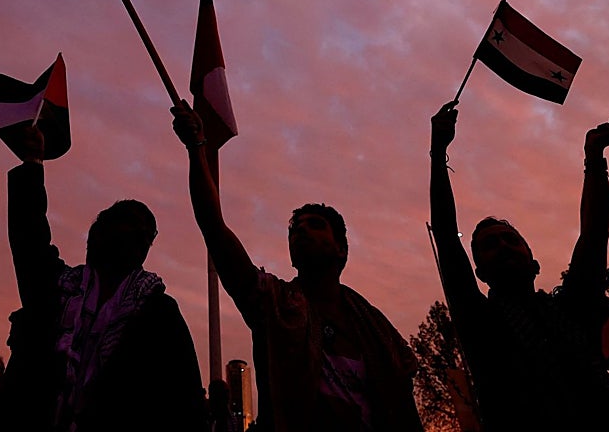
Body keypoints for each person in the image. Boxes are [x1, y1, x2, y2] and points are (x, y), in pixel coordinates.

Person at [172, 103, 422, 432]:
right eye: (295, 229)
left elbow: (402, 403)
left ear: (342, 249)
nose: (301, 231)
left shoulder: (375, 327)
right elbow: (214, 229)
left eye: (314, 225)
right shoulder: (271, 302)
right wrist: (196, 148)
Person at [427, 101, 609, 431]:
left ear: (534, 262)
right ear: (479, 273)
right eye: (490, 245)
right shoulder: (480, 322)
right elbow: (446, 237)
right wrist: (437, 154)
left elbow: (594, 236)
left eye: (510, 240)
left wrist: (594, 159)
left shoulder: (572, 308)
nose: (503, 247)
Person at [2, 123, 207, 432]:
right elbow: (28, 236)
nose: (135, 236)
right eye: (126, 225)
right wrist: (32, 162)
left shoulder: (159, 313)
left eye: (143, 234)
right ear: (97, 235)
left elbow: (185, 403)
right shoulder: (56, 288)